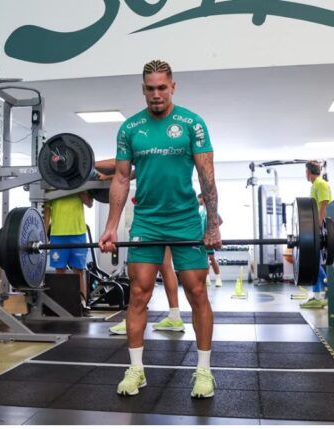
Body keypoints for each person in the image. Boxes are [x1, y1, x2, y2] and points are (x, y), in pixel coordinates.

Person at [99, 60, 220, 398]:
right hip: (147, 221)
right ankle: (136, 370)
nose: (156, 94)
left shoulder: (192, 124)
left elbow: (207, 176)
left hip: (185, 219)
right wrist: (111, 227)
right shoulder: (130, 128)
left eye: (162, 88)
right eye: (150, 88)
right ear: (143, 89)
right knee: (138, 293)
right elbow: (121, 178)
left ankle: (204, 371)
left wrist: (212, 223)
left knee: (197, 292)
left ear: (173, 87)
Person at [44, 192, 93, 313]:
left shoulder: (80, 185)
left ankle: (82, 304)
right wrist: (44, 233)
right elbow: (47, 212)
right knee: (59, 270)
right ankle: (61, 304)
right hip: (58, 235)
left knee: (79, 270)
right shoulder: (51, 186)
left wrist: (79, 191)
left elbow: (89, 203)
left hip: (78, 233)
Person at [300, 160, 331, 309]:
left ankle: (325, 291)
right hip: (314, 228)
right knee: (315, 262)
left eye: (306, 172)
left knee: (315, 262)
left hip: (320, 228)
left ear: (309, 172)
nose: (305, 174)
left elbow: (323, 205)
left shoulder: (321, 184)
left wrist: (318, 228)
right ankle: (320, 294)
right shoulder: (314, 186)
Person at [199, 193, 223, 287]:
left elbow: (220, 221)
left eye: (199, 199)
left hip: (210, 238)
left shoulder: (211, 211)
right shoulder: (201, 212)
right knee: (205, 259)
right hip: (202, 239)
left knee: (212, 258)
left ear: (203, 198)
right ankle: (207, 279)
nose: (198, 201)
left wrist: (213, 230)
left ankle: (218, 279)